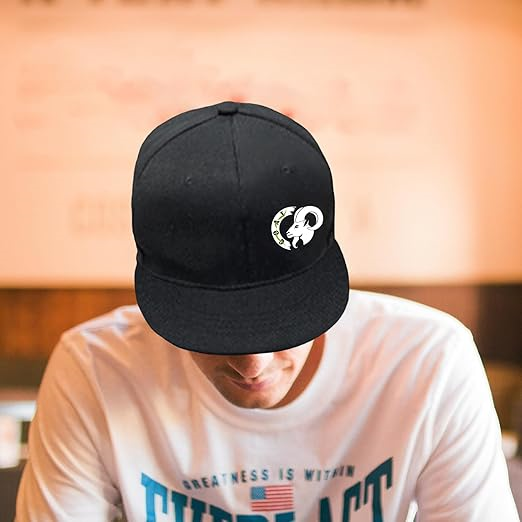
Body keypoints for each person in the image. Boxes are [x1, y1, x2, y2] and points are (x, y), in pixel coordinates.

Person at [16, 101, 519, 522]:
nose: (253, 365)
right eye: (212, 330)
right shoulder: (94, 370)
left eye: (284, 321)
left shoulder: (430, 361)